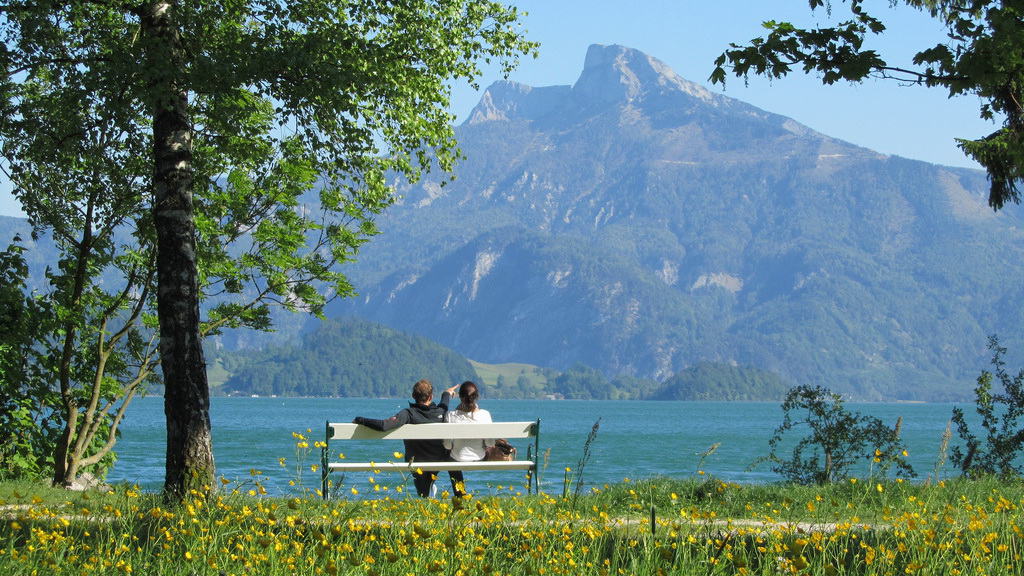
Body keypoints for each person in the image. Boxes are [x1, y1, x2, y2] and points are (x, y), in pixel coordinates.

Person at [352, 379, 454, 497]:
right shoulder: (440, 412)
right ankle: (430, 488)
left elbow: (384, 426)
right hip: (437, 459)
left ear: (413, 396)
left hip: (416, 460)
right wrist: (446, 393)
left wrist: (360, 420)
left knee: (422, 490)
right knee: (427, 484)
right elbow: (444, 403)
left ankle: (428, 491)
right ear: (431, 397)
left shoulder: (408, 414)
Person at [443, 381, 494, 497]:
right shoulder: (485, 415)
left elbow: (447, 446)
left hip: (457, 459)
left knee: (449, 457)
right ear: (477, 397)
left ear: (459, 397)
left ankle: (460, 495)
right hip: (480, 457)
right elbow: (490, 443)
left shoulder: (450, 415)